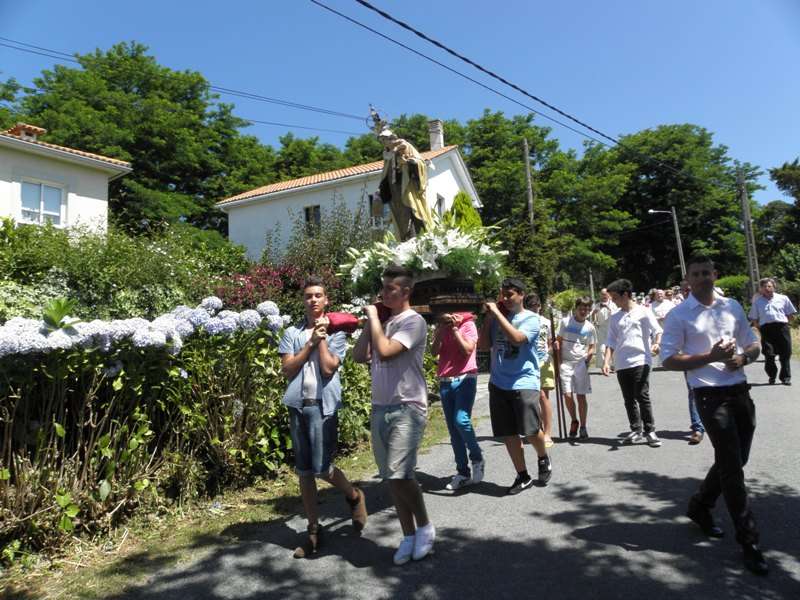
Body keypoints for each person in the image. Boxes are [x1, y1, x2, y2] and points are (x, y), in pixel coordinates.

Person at [661, 254, 768, 576]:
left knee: (736, 460)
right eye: (697, 273)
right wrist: (710, 356)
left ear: (715, 274)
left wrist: (743, 358)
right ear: (688, 279)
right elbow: (668, 359)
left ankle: (700, 506)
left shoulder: (731, 306)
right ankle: (749, 541)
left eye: (708, 272)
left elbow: (753, 344)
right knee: (732, 468)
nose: (704, 277)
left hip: (740, 390)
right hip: (709, 397)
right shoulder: (679, 315)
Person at [279, 276, 368, 558]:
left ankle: (353, 495)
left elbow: (329, 369)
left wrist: (321, 339)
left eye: (318, 295)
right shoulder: (291, 333)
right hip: (298, 405)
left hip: (322, 407)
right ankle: (313, 530)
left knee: (322, 467)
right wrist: (308, 343)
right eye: (308, 296)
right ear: (303, 301)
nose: (313, 300)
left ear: (326, 300)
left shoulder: (338, 333)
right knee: (304, 471)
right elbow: (288, 369)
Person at [352, 265, 435, 565]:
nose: (383, 293)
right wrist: (370, 323)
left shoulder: (414, 322)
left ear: (406, 292)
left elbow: (386, 352)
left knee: (401, 474)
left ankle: (425, 526)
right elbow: (360, 355)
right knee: (392, 478)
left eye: (390, 288)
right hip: (381, 407)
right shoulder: (382, 323)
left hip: (407, 407)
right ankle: (408, 535)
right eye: (383, 287)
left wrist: (374, 318)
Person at [478, 278, 552, 495]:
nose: (505, 299)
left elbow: (518, 339)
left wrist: (498, 315)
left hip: (524, 381)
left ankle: (542, 456)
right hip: (499, 382)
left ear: (521, 295)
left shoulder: (531, 318)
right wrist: (488, 319)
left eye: (509, 294)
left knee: (530, 431)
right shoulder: (496, 318)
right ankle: (522, 475)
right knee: (508, 432)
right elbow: (483, 345)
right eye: (502, 294)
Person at [603, 279, 663, 447]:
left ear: (626, 294)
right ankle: (636, 429)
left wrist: (657, 343)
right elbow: (611, 341)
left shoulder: (643, 312)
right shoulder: (615, 317)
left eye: (615, 297)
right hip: (622, 363)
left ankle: (650, 430)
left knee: (642, 395)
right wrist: (607, 362)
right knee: (628, 399)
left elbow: (657, 330)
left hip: (641, 359)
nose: (613, 301)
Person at [431, 311, 485, 490]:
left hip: (465, 378)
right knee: (453, 431)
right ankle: (462, 472)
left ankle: (477, 457)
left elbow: (467, 349)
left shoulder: (468, 325)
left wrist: (455, 330)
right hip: (446, 380)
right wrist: (440, 330)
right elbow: (434, 352)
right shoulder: (441, 328)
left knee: (461, 420)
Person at [557, 297, 597, 440]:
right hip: (566, 363)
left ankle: (583, 427)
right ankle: (574, 420)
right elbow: (559, 342)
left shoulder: (590, 327)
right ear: (576, 307)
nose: (584, 311)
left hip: (580, 364)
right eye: (582, 308)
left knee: (581, 396)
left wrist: (588, 358)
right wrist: (559, 361)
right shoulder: (565, 322)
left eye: (587, 309)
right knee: (567, 395)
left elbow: (592, 347)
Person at [748, 277, 797, 385]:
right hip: (766, 329)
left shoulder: (783, 298)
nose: (767, 288)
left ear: (774, 287)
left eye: (769, 286)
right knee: (769, 354)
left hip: (782, 327)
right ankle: (772, 375)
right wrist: (760, 329)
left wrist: (786, 325)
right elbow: (754, 319)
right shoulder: (758, 302)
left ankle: (785, 378)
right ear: (760, 289)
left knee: (785, 353)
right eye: (764, 286)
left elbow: (790, 315)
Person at [525, 293, 555, 447]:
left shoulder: (546, 322)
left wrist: (551, 349)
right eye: (530, 307)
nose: (534, 309)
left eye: (536, 306)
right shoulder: (523, 321)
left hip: (543, 362)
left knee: (543, 396)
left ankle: (548, 433)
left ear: (540, 307)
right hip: (528, 363)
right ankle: (537, 429)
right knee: (531, 398)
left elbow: (550, 341)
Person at [591, 288, 617, 369]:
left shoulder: (613, 304)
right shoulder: (597, 305)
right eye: (602, 294)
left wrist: (608, 308)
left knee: (613, 347)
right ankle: (604, 366)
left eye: (605, 294)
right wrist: (595, 319)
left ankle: (615, 365)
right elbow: (593, 315)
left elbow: (616, 314)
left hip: (612, 328)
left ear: (609, 295)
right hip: (601, 329)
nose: (604, 296)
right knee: (601, 348)